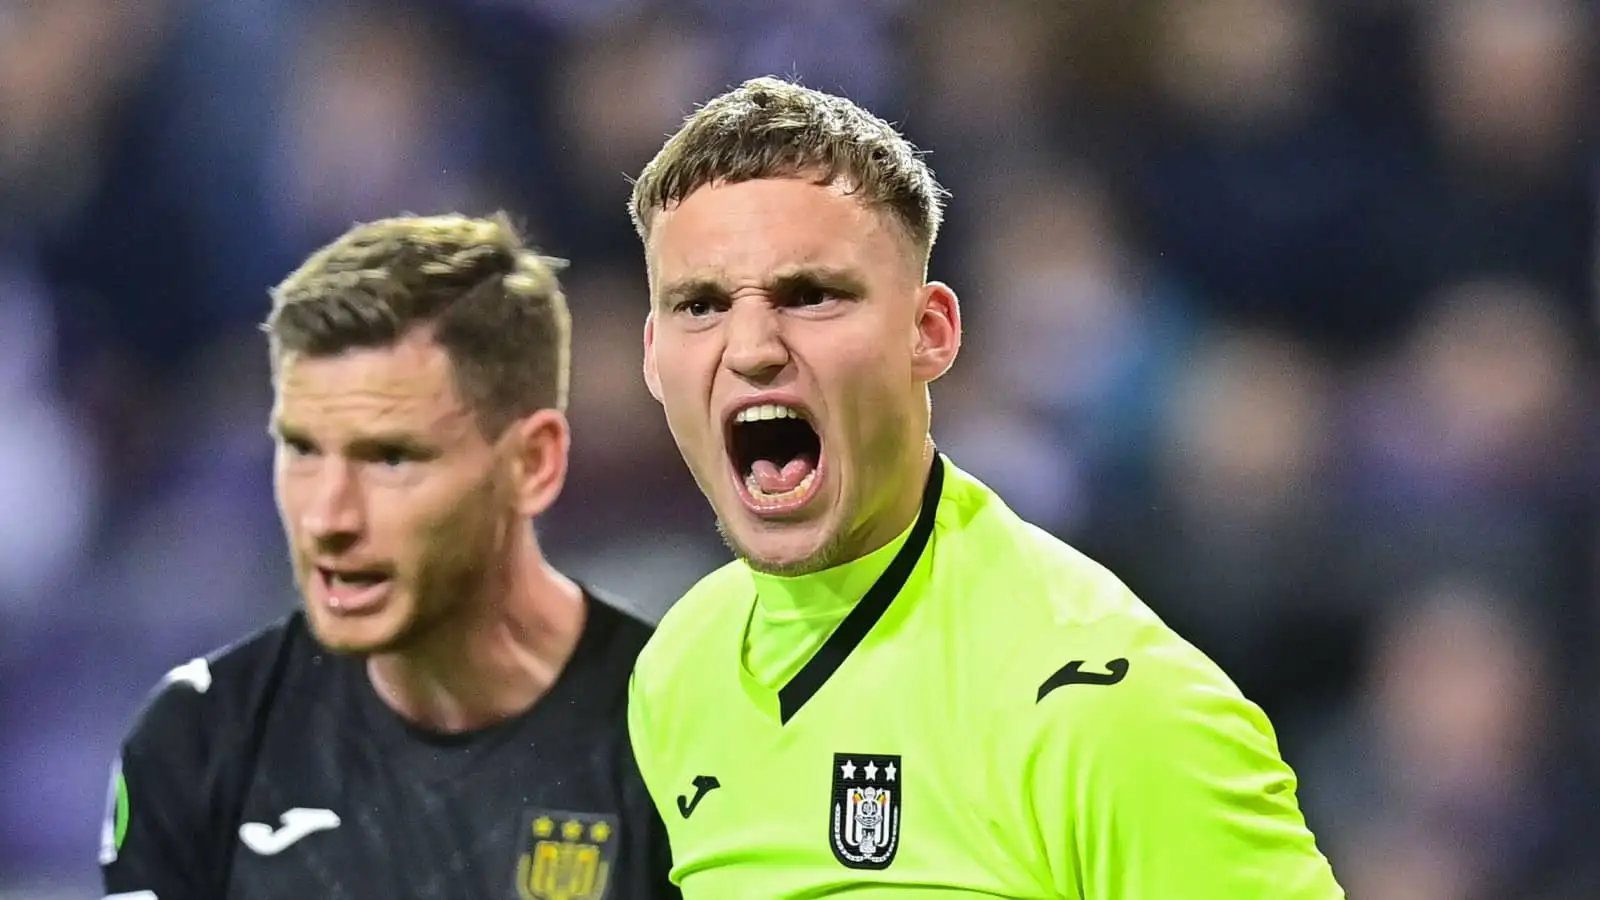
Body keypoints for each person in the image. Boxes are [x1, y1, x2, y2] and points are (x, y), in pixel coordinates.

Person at [624, 77, 1346, 897]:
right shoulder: (679, 668)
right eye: (700, 305)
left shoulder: (1109, 706)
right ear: (653, 356)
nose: (750, 345)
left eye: (811, 295)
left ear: (929, 333)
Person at [100, 213, 678, 899]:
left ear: (533, 463)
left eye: (391, 458)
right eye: (302, 450)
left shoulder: (674, 739)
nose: (328, 517)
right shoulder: (202, 742)